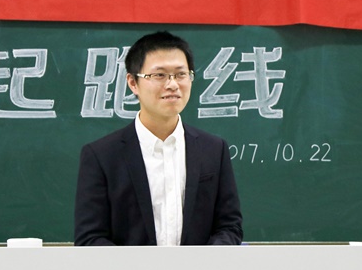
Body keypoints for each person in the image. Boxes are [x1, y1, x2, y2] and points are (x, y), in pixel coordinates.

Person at [74, 31, 243, 246]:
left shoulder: (214, 149)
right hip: (127, 269)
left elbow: (229, 226)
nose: (172, 85)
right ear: (133, 83)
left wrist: (203, 261)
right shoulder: (101, 155)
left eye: (181, 74)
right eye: (159, 75)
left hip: (200, 268)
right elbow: (90, 238)